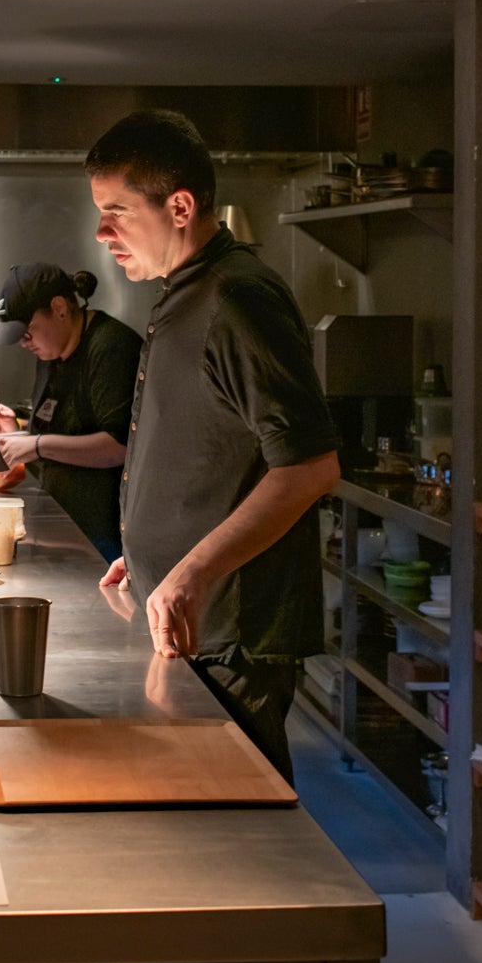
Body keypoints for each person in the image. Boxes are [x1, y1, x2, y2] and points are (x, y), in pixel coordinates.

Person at [83, 110, 339, 781]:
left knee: (240, 830)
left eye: (116, 212)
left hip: (232, 630)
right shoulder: (183, 292)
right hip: (188, 619)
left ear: (180, 206)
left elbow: (310, 467)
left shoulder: (238, 298)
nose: (102, 232)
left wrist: (188, 572)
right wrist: (148, 560)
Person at [0, 262, 140, 562]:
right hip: (67, 529)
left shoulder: (112, 349)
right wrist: (16, 429)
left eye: (27, 332)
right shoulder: (52, 351)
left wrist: (35, 445)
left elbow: (121, 446)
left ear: (59, 308)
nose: (23, 343)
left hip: (109, 540)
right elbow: (61, 429)